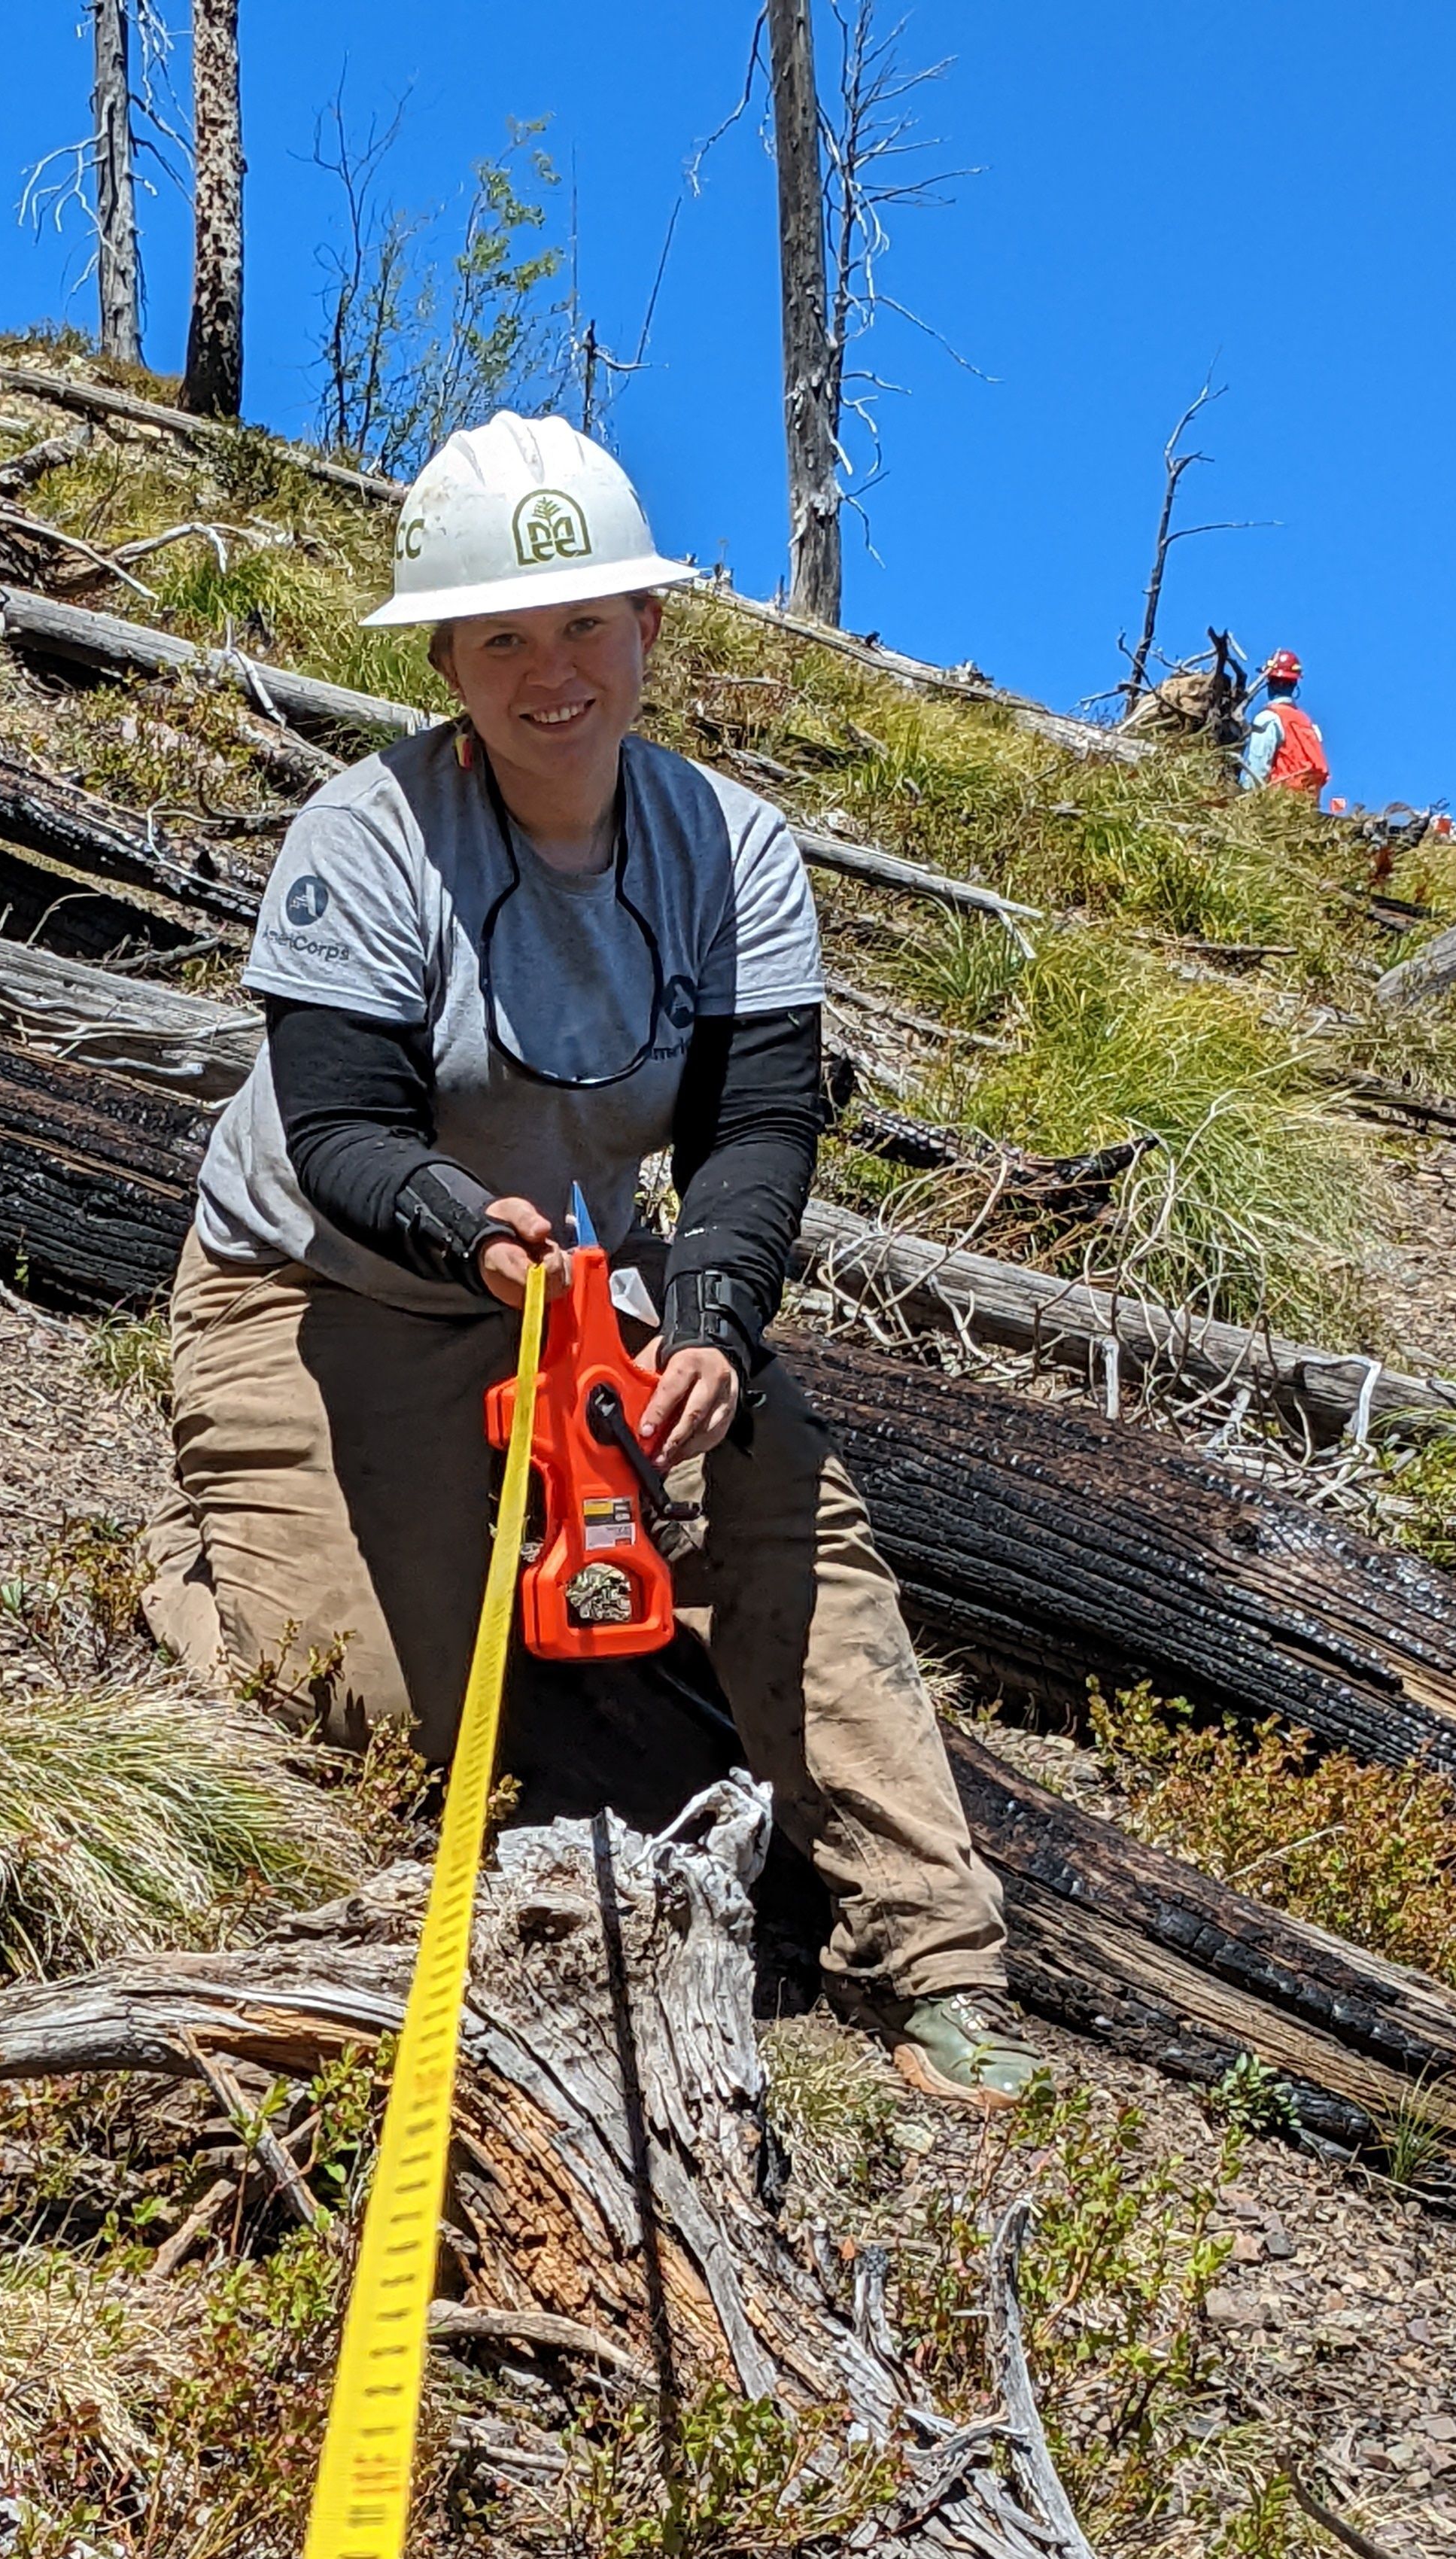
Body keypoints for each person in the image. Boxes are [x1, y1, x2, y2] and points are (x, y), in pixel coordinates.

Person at [142, 410, 1033, 2106]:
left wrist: (712, 1307)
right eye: (504, 639)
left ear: (649, 632)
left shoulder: (734, 851)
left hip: (582, 1279)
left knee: (791, 1497)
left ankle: (928, 1952)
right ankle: (199, 1563)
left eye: (582, 627)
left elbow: (759, 1128)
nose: (552, 672)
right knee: (379, 1710)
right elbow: (337, 1130)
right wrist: (466, 1227)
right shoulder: (369, 836)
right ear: (452, 663)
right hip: (326, 1285)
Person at [1238, 649, 1331, 799]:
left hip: (1278, 801)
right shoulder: (1308, 724)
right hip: (1307, 804)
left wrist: (1246, 802)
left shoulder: (1268, 718)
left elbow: (1258, 767)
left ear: (1270, 683)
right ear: (1295, 684)